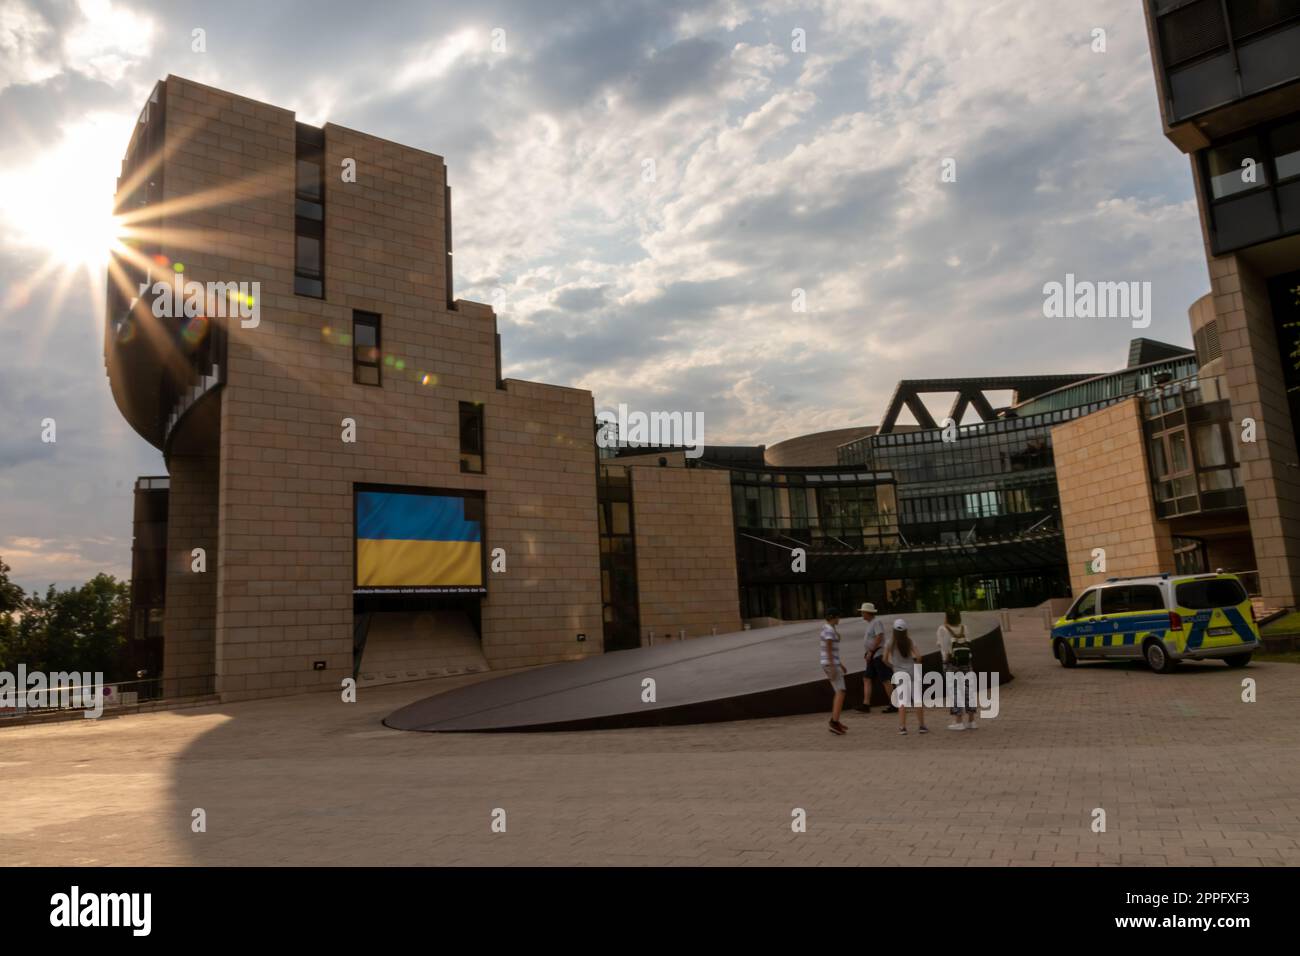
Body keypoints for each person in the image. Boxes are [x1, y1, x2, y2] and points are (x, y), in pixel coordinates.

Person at [883, 618, 927, 735]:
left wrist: (893, 666)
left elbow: (884, 659)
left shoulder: (889, 643)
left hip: (899, 672)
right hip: (912, 671)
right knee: (917, 699)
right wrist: (916, 665)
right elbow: (918, 656)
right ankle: (922, 726)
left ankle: (902, 727)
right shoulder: (910, 641)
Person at [938, 608, 977, 731]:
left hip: (951, 664)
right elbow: (969, 643)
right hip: (966, 662)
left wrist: (945, 660)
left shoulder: (942, 629)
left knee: (954, 691)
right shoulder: (964, 628)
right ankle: (972, 720)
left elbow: (944, 647)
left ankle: (958, 720)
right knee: (968, 689)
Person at [856, 602, 894, 713]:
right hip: (873, 655)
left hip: (877, 654)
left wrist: (871, 651)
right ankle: (866, 704)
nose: (862, 614)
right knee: (867, 678)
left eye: (863, 612)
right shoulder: (872, 623)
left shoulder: (876, 622)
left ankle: (894, 703)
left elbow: (879, 636)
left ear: (868, 613)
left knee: (885, 679)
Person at [820, 609, 848, 735]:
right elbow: (829, 649)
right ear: (833, 617)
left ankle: (835, 721)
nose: (839, 619)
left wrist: (840, 664)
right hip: (830, 663)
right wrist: (833, 666)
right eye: (838, 616)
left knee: (839, 691)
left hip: (831, 663)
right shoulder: (829, 631)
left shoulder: (829, 629)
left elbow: (832, 651)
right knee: (841, 691)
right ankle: (834, 722)